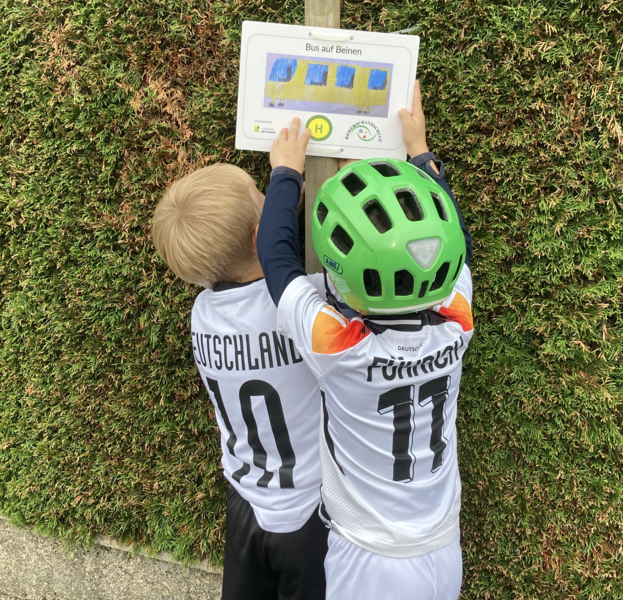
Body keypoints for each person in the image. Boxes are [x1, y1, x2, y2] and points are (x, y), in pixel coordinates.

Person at [256, 81, 474, 600]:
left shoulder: (340, 347)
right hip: (443, 545)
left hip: (371, 560)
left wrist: (286, 170)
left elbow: (276, 259)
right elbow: (457, 242)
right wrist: (419, 152)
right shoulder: (456, 322)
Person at [151, 163, 329, 600]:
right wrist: (286, 178)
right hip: (312, 511)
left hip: (246, 502)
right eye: (260, 194)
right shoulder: (309, 300)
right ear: (259, 236)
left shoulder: (202, 317)